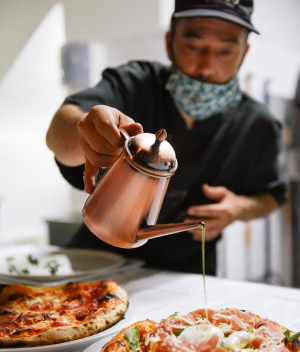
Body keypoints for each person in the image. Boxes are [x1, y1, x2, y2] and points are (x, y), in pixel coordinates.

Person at [46, 0, 287, 275]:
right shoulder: (135, 84)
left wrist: (239, 208)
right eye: (194, 46)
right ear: (170, 42)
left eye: (225, 51)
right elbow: (59, 131)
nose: (206, 67)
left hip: (184, 275)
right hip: (95, 263)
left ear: (244, 52)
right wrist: (84, 129)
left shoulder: (258, 124)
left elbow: (273, 195)